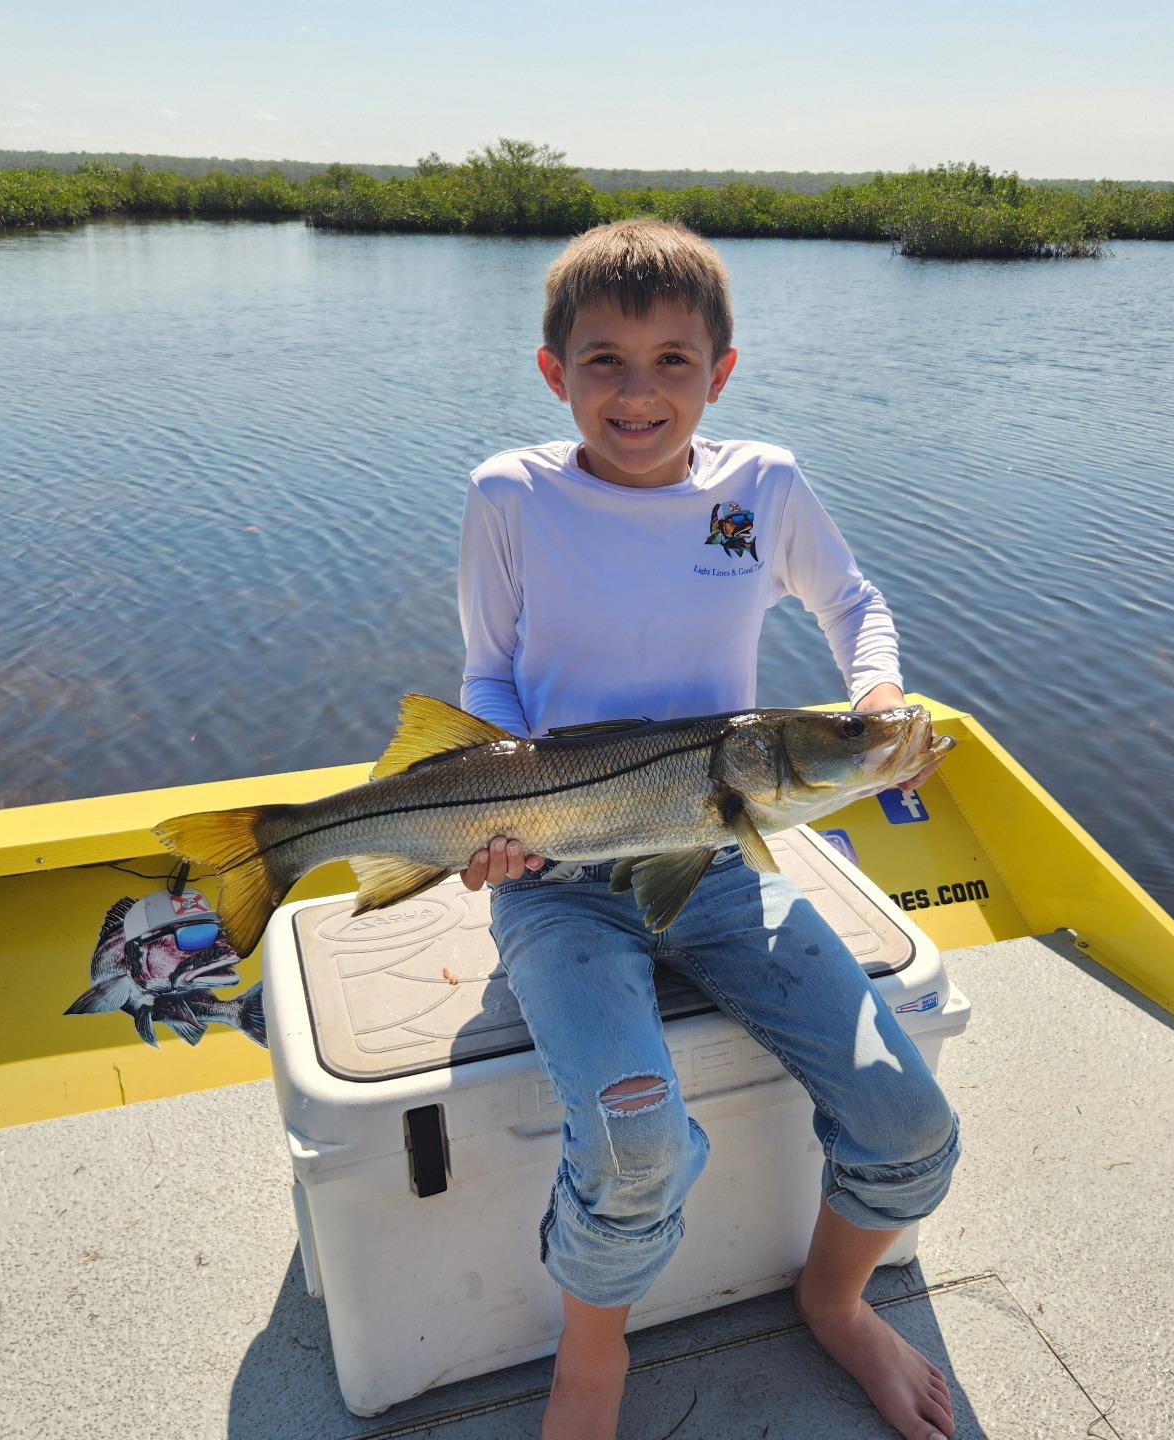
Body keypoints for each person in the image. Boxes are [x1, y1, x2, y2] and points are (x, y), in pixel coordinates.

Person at [456, 218, 960, 1440]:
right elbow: (489, 680)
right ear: (553, 372)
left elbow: (853, 602)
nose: (638, 394)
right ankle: (591, 1363)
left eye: (672, 361)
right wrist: (498, 815)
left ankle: (835, 1301)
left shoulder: (761, 487)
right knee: (635, 1140)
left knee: (910, 1124)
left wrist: (876, 696)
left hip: (726, 856)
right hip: (558, 875)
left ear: (720, 372)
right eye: (605, 362)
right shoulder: (509, 494)